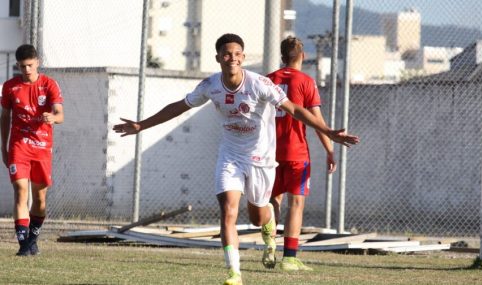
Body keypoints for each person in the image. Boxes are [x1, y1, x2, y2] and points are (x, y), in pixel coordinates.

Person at [113, 33, 359, 285]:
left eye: (237, 54)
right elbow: (180, 106)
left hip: (261, 159)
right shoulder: (210, 85)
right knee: (228, 210)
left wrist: (329, 132)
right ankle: (234, 273)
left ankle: (268, 221)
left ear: (242, 57)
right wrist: (142, 125)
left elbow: (295, 109)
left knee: (257, 216)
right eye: (227, 54)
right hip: (230, 157)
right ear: (218, 57)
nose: (232, 58)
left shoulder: (260, 84)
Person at [267, 36, 337, 271]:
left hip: (268, 153)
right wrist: (330, 150)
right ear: (303, 56)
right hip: (296, 152)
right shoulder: (306, 82)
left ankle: (269, 246)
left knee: (272, 202)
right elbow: (317, 121)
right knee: (295, 204)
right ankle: (289, 258)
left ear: (281, 56)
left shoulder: (267, 80)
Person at [1, 44, 64, 256]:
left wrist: (53, 118)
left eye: (29, 65)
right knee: (20, 192)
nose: (26, 70)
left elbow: (60, 114)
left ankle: (32, 240)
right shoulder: (10, 87)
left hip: (42, 147)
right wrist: (4, 146)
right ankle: (23, 246)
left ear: (37, 61)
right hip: (19, 145)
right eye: (21, 67)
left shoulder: (49, 85)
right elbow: (5, 118)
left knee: (40, 199)